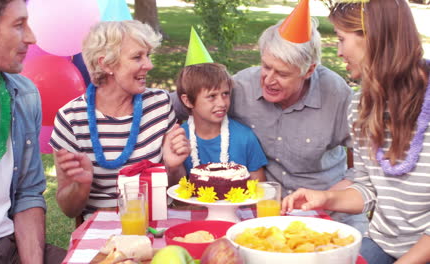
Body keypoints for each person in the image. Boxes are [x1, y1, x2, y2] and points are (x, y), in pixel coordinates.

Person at [171, 15, 368, 233]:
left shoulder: (337, 95)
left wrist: (330, 198)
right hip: (265, 217)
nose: (269, 79)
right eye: (266, 66)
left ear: (309, 71)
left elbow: (368, 165)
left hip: (328, 216)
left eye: (282, 73)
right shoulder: (240, 87)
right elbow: (181, 101)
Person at [282, 0, 430, 263]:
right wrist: (325, 197)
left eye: (342, 39)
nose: (338, 52)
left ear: (373, 39)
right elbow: (368, 189)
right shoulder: (360, 105)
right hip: (383, 244)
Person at [50, 20, 189, 221]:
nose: (149, 65)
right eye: (137, 57)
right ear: (106, 64)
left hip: (155, 223)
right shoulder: (71, 118)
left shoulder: (160, 104)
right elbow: (69, 210)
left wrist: (174, 167)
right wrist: (81, 185)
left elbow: (179, 195)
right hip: (100, 231)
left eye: (148, 56)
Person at [0, 0, 66, 263]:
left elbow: (28, 193)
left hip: (8, 248)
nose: (31, 37)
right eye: (19, 25)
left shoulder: (24, 95)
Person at [176, 62, 268, 180]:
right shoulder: (180, 139)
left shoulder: (245, 137)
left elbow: (260, 188)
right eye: (212, 96)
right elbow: (175, 188)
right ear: (188, 101)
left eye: (225, 94)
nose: (222, 103)